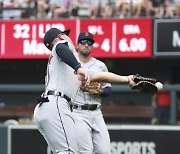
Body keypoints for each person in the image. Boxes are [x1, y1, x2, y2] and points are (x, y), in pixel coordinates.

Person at [33, 27, 135, 154]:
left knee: (64, 151)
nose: (69, 38)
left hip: (45, 108)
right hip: (57, 104)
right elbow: (60, 48)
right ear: (60, 37)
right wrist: (78, 67)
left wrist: (127, 79)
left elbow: (100, 76)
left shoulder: (64, 65)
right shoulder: (62, 47)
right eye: (66, 35)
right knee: (68, 151)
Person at [73, 32, 111, 154]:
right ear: (77, 45)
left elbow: (108, 89)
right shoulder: (70, 63)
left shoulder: (100, 65)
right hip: (78, 112)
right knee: (86, 151)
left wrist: (99, 90)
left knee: (105, 151)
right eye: (83, 42)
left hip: (96, 112)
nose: (86, 45)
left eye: (89, 42)